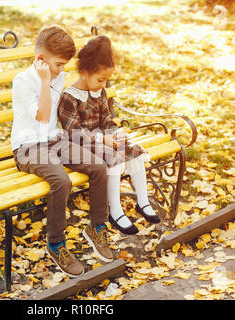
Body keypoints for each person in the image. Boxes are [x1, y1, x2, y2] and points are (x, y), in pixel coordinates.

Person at [11, 26, 113, 278]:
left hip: (53, 139)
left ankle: (97, 229)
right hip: (28, 146)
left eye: (63, 66)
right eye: (57, 65)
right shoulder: (23, 82)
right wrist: (45, 81)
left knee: (99, 167)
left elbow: (55, 122)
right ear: (40, 59)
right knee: (61, 180)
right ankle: (56, 244)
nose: (61, 71)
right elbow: (43, 115)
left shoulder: (56, 74)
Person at [57, 35, 160, 236]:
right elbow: (73, 132)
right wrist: (102, 139)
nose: (103, 85)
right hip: (80, 145)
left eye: (107, 80)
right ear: (84, 72)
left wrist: (116, 132)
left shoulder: (100, 92)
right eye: (100, 79)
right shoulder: (69, 97)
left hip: (103, 139)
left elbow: (106, 120)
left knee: (133, 149)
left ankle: (143, 202)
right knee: (113, 158)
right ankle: (115, 211)